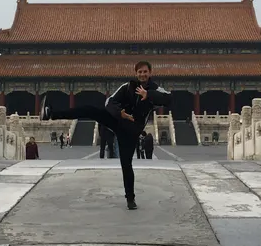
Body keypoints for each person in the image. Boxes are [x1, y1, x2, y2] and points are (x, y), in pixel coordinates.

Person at [41, 61, 171, 210]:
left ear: (150, 73)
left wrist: (148, 95)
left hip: (132, 131)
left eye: (145, 72)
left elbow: (168, 99)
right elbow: (110, 102)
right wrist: (119, 112)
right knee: (90, 110)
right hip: (118, 121)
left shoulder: (155, 89)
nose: (142, 74)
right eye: (140, 72)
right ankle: (51, 113)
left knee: (126, 164)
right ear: (136, 73)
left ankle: (130, 199)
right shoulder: (127, 87)